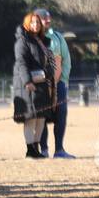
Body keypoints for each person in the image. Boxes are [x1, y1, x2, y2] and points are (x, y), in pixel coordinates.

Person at [14, 12, 56, 158]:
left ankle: (36, 148)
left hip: (42, 84)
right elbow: (21, 63)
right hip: (28, 85)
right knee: (30, 118)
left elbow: (51, 62)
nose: (35, 25)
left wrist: (47, 74)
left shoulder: (44, 42)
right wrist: (27, 81)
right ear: (27, 23)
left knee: (41, 118)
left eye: (37, 22)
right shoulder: (22, 41)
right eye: (32, 22)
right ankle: (30, 150)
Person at [35, 9, 74, 158]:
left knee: (61, 114)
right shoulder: (32, 38)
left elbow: (66, 60)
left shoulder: (57, 37)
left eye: (49, 18)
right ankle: (43, 150)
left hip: (59, 85)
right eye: (44, 18)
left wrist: (62, 81)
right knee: (42, 116)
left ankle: (59, 149)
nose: (47, 20)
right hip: (41, 85)